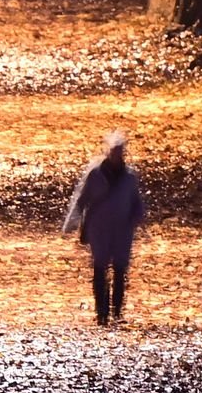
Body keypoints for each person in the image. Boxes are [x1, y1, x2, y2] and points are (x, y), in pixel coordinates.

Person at [60, 131, 149, 325]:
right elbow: (82, 199)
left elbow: (136, 201)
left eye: (120, 152)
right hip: (99, 228)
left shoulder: (129, 178)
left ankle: (116, 312)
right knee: (100, 268)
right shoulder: (96, 174)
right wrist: (71, 224)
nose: (117, 155)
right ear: (108, 152)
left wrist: (138, 219)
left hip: (122, 230)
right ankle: (101, 312)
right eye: (114, 151)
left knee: (119, 270)